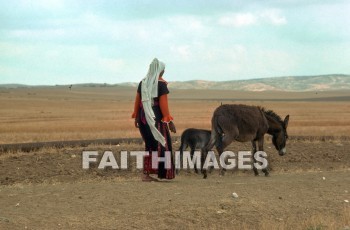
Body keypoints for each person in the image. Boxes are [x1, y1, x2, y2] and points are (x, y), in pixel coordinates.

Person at [131, 58, 176, 182]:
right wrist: (169, 121)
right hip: (156, 118)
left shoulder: (143, 82)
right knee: (162, 144)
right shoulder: (161, 84)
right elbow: (163, 105)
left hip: (143, 117)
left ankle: (147, 174)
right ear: (160, 71)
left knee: (150, 145)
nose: (164, 71)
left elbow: (138, 101)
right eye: (163, 69)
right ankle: (163, 173)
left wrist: (136, 117)